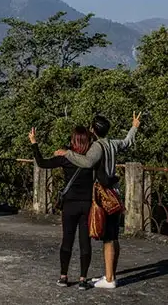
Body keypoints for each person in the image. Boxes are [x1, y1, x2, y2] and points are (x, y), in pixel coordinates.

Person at [55, 112, 142, 289]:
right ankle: (110, 275)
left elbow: (86, 162)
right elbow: (127, 142)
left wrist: (67, 154)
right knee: (113, 235)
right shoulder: (112, 144)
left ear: (93, 130)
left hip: (103, 195)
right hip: (115, 193)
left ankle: (109, 279)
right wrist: (134, 127)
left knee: (108, 237)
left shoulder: (97, 146)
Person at [28, 126, 95, 290]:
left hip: (70, 204)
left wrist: (34, 142)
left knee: (67, 240)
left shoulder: (66, 158)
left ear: (73, 140)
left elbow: (42, 163)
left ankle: (63, 276)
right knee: (85, 242)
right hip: (87, 204)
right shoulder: (91, 160)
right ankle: (83, 279)